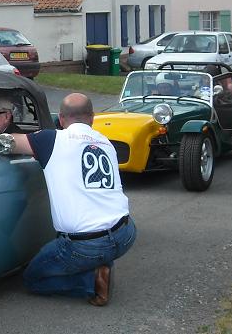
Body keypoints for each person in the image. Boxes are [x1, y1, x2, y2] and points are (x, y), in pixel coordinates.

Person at [7, 93, 136, 305]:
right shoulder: (106, 142)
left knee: (33, 279)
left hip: (86, 245)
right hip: (125, 233)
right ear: (92, 118)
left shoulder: (51, 139)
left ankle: (92, 280)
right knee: (95, 242)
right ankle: (101, 262)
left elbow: (11, 142)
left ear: (61, 118)